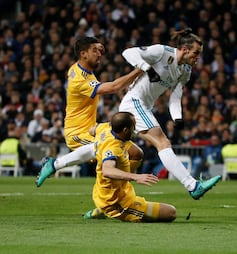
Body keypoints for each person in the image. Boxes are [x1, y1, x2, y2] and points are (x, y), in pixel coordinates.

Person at [119, 28, 221, 200]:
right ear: (185, 49)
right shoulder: (162, 52)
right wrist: (147, 68)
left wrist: (177, 117)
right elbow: (127, 52)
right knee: (163, 142)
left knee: (112, 147)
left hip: (142, 107)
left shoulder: (185, 71)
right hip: (134, 103)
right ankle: (192, 185)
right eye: (196, 53)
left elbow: (175, 97)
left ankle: (59, 164)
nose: (197, 58)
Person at [36, 36, 144, 187]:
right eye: (94, 51)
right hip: (77, 133)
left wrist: (97, 46)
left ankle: (117, 187)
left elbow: (87, 48)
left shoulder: (80, 68)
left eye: (98, 50)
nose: (99, 54)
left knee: (136, 154)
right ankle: (55, 164)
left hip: (92, 128)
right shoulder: (79, 80)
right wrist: (140, 70)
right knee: (106, 147)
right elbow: (113, 88)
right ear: (83, 54)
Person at [83, 112, 176, 222]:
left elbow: (91, 130)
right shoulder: (113, 149)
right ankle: (107, 210)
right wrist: (136, 177)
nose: (135, 129)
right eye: (133, 126)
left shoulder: (104, 128)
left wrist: (96, 146)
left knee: (137, 153)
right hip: (116, 202)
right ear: (125, 130)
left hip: (108, 191)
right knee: (171, 212)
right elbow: (107, 170)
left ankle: (104, 208)